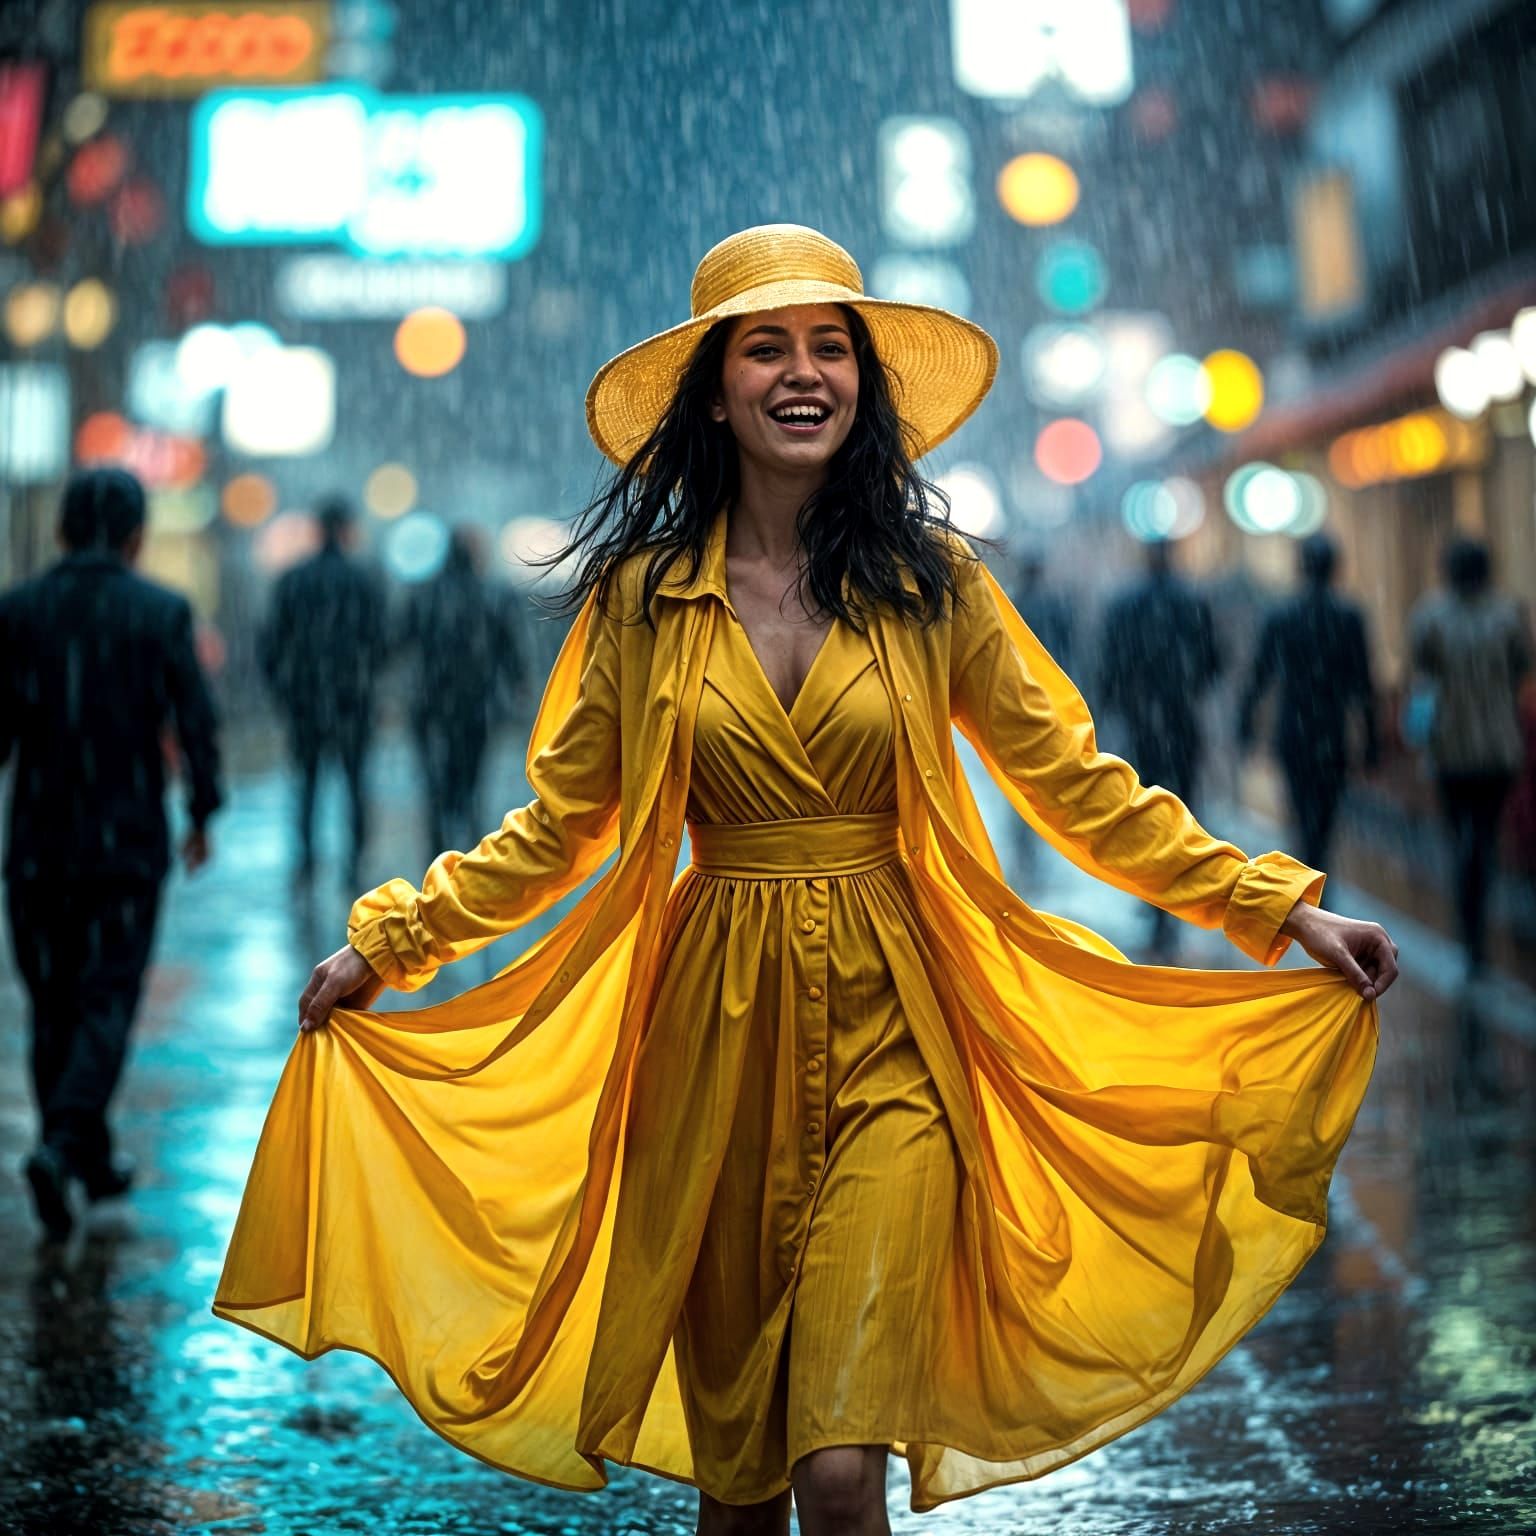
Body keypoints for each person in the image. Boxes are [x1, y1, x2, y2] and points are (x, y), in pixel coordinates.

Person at [216, 226, 1397, 1535]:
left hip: (902, 1029)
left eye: (830, 347)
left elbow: (1078, 784)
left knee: (843, 1473)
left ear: (863, 381)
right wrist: (394, 942)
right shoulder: (641, 599)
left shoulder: (932, 582)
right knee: (744, 1490)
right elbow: (558, 827)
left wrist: (1273, 903)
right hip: (709, 1048)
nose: (802, 372)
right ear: (714, 385)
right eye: (765, 346)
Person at [0, 468, 222, 1239]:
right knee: (107, 999)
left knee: (53, 1003)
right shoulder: (158, 613)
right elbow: (196, 720)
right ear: (134, 535)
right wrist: (200, 809)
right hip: (124, 843)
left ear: (62, 530)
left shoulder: (18, 612)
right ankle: (66, 1149)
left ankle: (79, 1158)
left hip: (35, 844)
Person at [1407, 537, 1532, 977]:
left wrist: (1418, 735)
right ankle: (1478, 909)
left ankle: (1469, 925)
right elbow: (1522, 666)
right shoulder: (1509, 615)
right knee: (1486, 832)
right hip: (1498, 748)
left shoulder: (1431, 617)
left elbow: (1422, 674)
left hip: (1452, 748)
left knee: (1459, 833)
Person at [1094, 537, 1223, 960]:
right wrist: (1185, 690)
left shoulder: (1125, 605)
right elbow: (1212, 662)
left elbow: (1110, 666)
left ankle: (1156, 898)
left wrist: (1120, 704)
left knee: (1146, 809)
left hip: (1142, 724)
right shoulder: (1192, 601)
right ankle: (1179, 891)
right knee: (1181, 808)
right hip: (1180, 721)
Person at [258, 495, 388, 889]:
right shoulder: (363, 580)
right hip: (353, 700)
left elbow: (270, 644)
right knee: (355, 784)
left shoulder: (293, 580)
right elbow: (382, 642)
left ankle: (307, 864)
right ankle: (354, 866)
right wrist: (362, 679)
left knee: (308, 786)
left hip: (306, 702)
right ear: (347, 529)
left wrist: (285, 691)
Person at [1238, 533, 1380, 877]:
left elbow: (1259, 676)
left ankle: (1309, 880)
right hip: (1332, 731)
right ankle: (1320, 878)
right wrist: (1372, 740)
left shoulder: (1282, 616)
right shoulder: (1349, 617)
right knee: (1326, 817)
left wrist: (1245, 724)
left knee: (1301, 812)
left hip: (1294, 729)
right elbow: (1363, 685)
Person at [396, 527, 526, 859]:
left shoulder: (423, 595)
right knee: (471, 777)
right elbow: (510, 649)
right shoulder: (491, 594)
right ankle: (468, 848)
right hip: (475, 703)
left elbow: (397, 643)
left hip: (429, 703)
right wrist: (517, 685)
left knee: (434, 779)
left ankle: (437, 848)